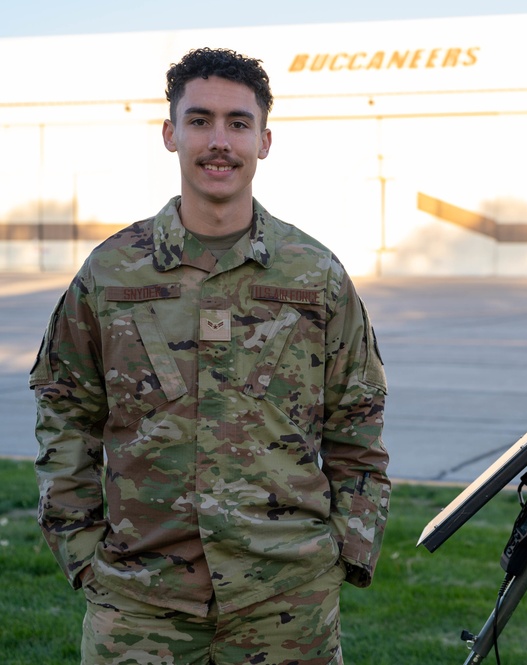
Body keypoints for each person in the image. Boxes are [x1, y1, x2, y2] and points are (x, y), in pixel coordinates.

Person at [30, 47, 390, 665]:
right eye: (199, 121)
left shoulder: (317, 276)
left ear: (265, 140)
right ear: (170, 134)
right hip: (140, 606)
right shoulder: (111, 273)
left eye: (238, 123)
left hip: (287, 606)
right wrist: (81, 552)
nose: (218, 141)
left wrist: (346, 553)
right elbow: (65, 409)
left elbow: (357, 420)